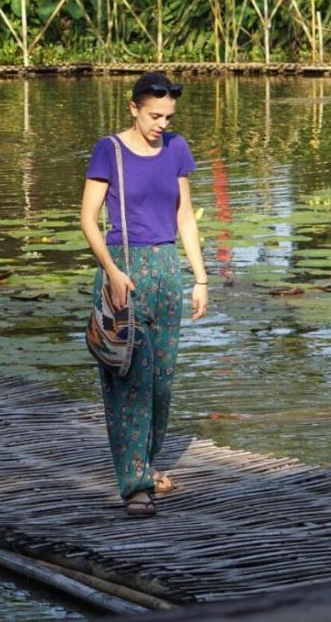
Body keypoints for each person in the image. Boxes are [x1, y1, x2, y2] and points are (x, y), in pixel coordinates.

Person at [79, 72, 208, 517]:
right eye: (154, 115)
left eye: (168, 117)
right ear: (132, 107)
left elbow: (185, 217)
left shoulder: (176, 148)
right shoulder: (108, 150)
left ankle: (147, 464)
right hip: (125, 268)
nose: (161, 124)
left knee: (161, 382)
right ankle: (135, 484)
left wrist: (200, 277)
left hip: (167, 270)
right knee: (128, 378)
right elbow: (87, 219)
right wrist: (111, 272)